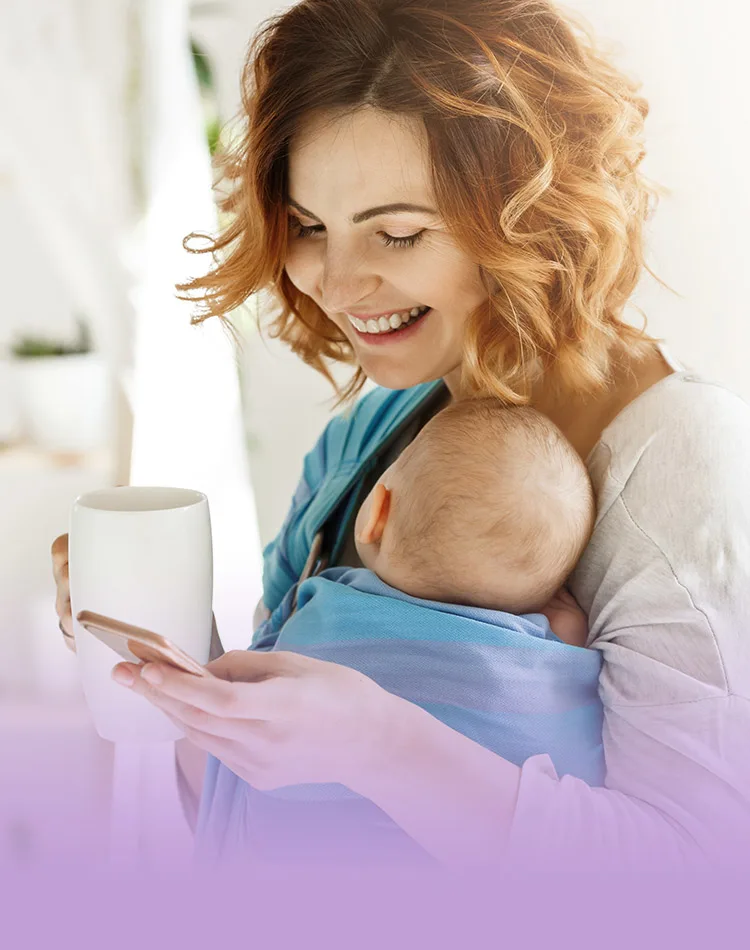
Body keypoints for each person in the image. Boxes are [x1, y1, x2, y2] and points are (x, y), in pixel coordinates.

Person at [51, 0, 750, 870]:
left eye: (399, 231)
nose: (337, 285)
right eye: (309, 227)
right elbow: (248, 809)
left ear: (528, 210)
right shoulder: (367, 442)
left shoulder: (678, 462)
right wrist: (169, 653)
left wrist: (383, 747)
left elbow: (693, 879)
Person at [194, 398, 603, 866]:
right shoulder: (543, 659)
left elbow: (259, 664)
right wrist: (567, 639)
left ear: (375, 514)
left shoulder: (325, 604)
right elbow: (579, 747)